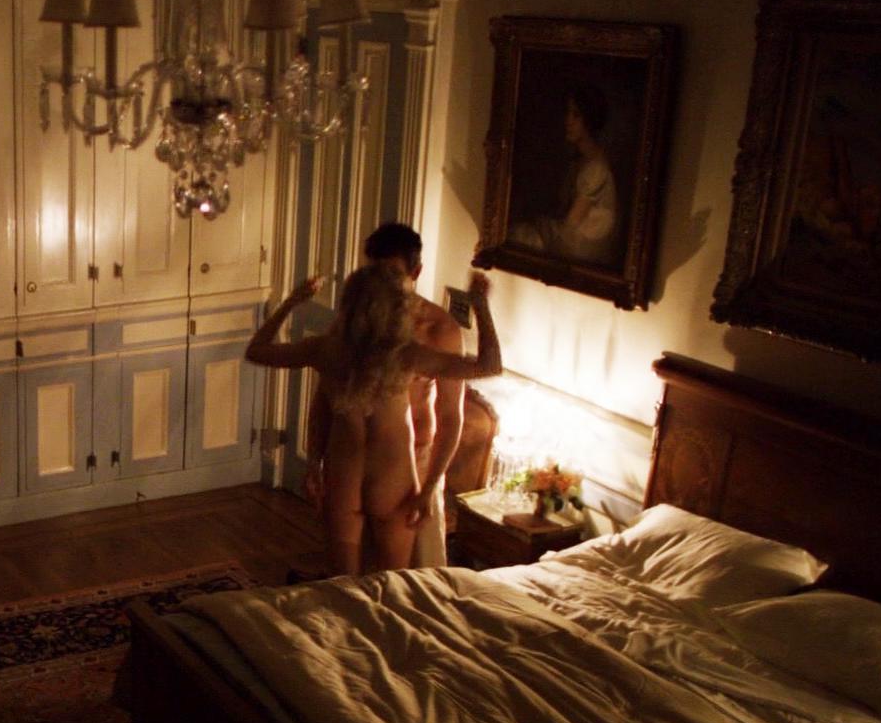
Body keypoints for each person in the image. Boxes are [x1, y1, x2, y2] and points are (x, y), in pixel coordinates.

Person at [247, 266, 501, 576]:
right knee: (391, 584)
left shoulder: (327, 350)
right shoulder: (406, 356)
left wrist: (292, 302)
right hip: (391, 475)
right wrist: (481, 305)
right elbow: (490, 365)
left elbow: (257, 350)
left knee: (344, 584)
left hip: (345, 471)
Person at [304, 223, 467, 567]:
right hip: (352, 461)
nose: (382, 283)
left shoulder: (439, 331)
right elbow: (326, 398)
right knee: (345, 569)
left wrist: (430, 485)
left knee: (410, 576)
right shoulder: (354, 322)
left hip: (411, 462)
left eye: (392, 274)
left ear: (415, 272)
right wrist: (314, 460)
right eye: (375, 272)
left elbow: (452, 416)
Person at [510, 84, 618, 264]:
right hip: (568, 242)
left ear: (589, 120)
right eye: (568, 113)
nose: (568, 121)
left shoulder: (596, 168)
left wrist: (539, 226)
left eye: (576, 115)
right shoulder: (578, 162)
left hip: (581, 249)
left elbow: (570, 226)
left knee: (521, 235)